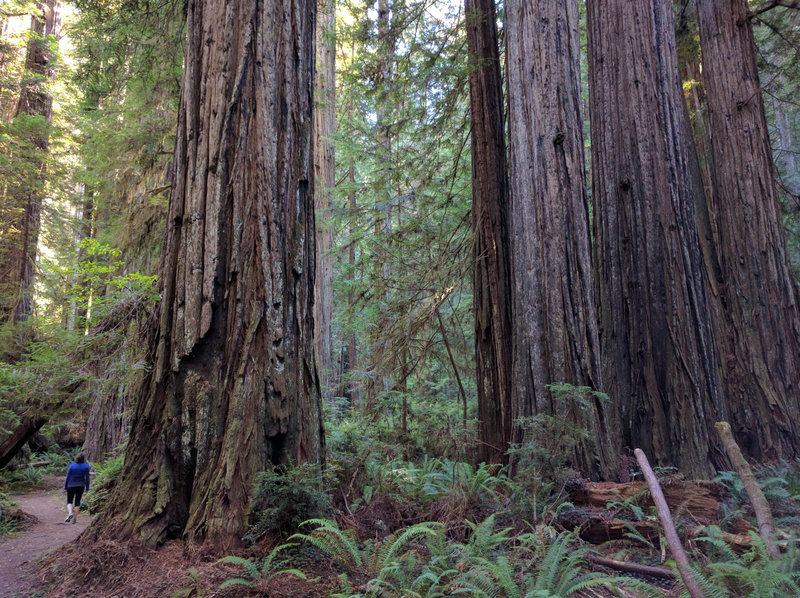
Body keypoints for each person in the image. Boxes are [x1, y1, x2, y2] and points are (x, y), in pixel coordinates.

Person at [64, 452, 90, 524]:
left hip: (71, 485)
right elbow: (87, 478)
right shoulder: (86, 466)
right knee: (77, 502)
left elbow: (68, 477)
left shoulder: (72, 466)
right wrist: (87, 488)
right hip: (81, 486)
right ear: (84, 459)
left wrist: (65, 487)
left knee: (69, 501)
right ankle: (74, 519)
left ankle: (70, 513)